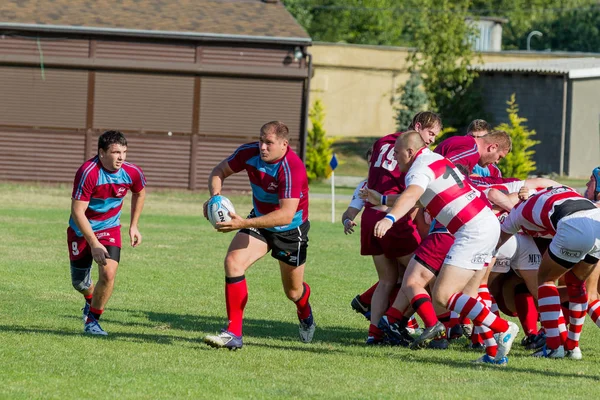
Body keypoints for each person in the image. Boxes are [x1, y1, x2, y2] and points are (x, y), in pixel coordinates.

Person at [373, 131, 519, 365]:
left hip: (472, 230)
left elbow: (412, 195)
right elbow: (421, 197)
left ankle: (504, 327)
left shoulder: (417, 168)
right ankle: (494, 354)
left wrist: (389, 219)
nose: (395, 157)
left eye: (397, 152)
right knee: (470, 295)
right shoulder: (433, 159)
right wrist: (382, 199)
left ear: (410, 152)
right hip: (486, 222)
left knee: (442, 295)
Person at [202, 121, 315, 350]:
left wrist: (242, 222)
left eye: (269, 143)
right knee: (233, 263)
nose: (262, 147)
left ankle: (305, 313)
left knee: (293, 292)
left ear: (284, 145)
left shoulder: (292, 167)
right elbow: (219, 171)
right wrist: (215, 198)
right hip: (260, 222)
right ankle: (233, 333)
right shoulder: (249, 152)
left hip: (290, 232)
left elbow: (285, 215)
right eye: (261, 140)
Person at [358, 111, 442, 345]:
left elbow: (370, 179)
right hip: (392, 217)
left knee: (387, 279)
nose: (431, 140)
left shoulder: (382, 141)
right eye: (430, 133)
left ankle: (375, 333)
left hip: (370, 216)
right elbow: (410, 195)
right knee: (423, 274)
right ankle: (430, 326)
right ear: (417, 127)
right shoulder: (414, 152)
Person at [499, 185, 600, 359]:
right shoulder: (560, 189)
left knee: (545, 279)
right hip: (595, 222)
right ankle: (573, 347)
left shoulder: (517, 211)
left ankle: (554, 346)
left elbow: (499, 240)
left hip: (573, 224)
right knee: (576, 284)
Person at [68, 130, 146, 336]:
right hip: (81, 229)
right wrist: (93, 243)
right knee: (80, 283)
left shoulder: (132, 172)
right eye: (115, 152)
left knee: (108, 273)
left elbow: (139, 192)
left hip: (110, 228)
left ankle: (93, 321)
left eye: (124, 152)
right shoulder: (88, 172)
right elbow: (77, 211)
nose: (121, 157)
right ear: (101, 152)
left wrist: (134, 225)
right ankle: (90, 298)